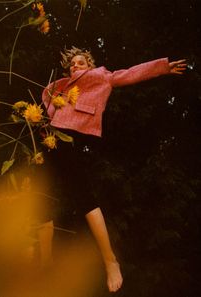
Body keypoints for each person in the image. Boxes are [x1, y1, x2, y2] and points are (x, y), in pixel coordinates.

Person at [40, 46, 187, 292]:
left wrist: (163, 68)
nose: (75, 67)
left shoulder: (101, 76)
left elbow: (130, 73)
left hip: (75, 137)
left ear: (89, 64)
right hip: (51, 139)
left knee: (83, 197)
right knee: (43, 197)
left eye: (80, 63)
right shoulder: (60, 84)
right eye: (72, 65)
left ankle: (110, 260)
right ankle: (43, 268)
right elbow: (47, 101)